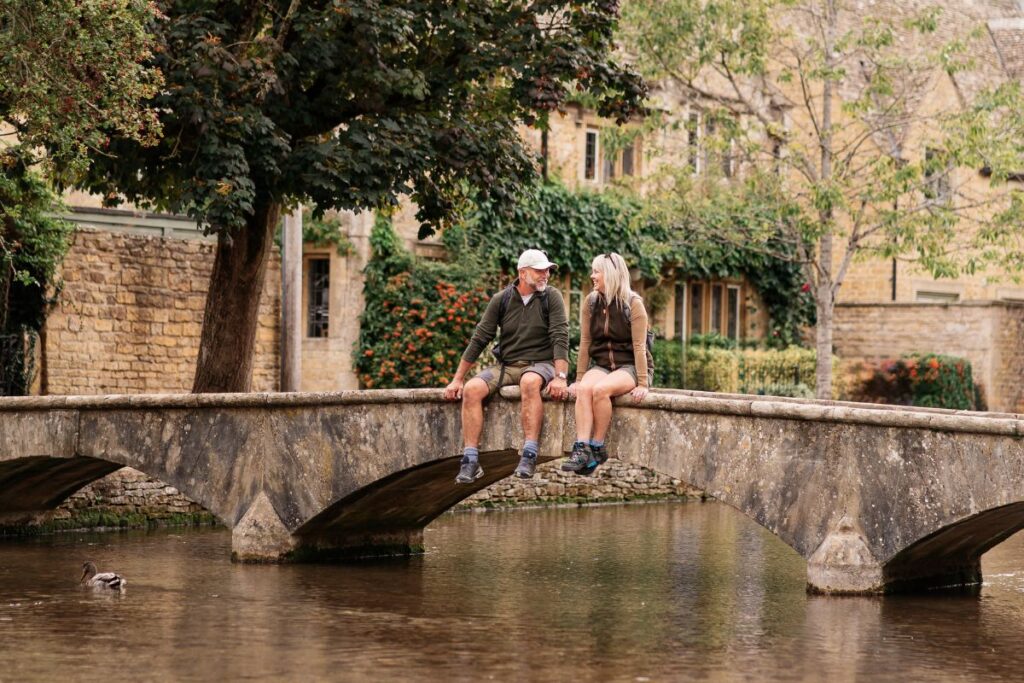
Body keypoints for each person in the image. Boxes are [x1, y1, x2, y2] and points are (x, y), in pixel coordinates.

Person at [444, 249, 570, 483]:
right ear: (522, 273)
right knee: (471, 389)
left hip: (541, 364)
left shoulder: (551, 297)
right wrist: (457, 379)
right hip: (508, 366)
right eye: (539, 270)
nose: (546, 274)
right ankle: (470, 460)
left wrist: (560, 376)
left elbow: (560, 336)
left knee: (529, 382)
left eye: (547, 270)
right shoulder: (501, 299)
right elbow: (480, 338)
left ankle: (529, 454)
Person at [564, 252, 651, 476]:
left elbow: (639, 347)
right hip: (602, 365)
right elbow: (585, 342)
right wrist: (579, 379)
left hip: (629, 366)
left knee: (601, 390)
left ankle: (597, 446)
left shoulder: (633, 304)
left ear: (611, 275)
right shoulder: (591, 302)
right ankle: (582, 448)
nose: (592, 276)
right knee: (585, 389)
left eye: (597, 272)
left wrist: (643, 383)